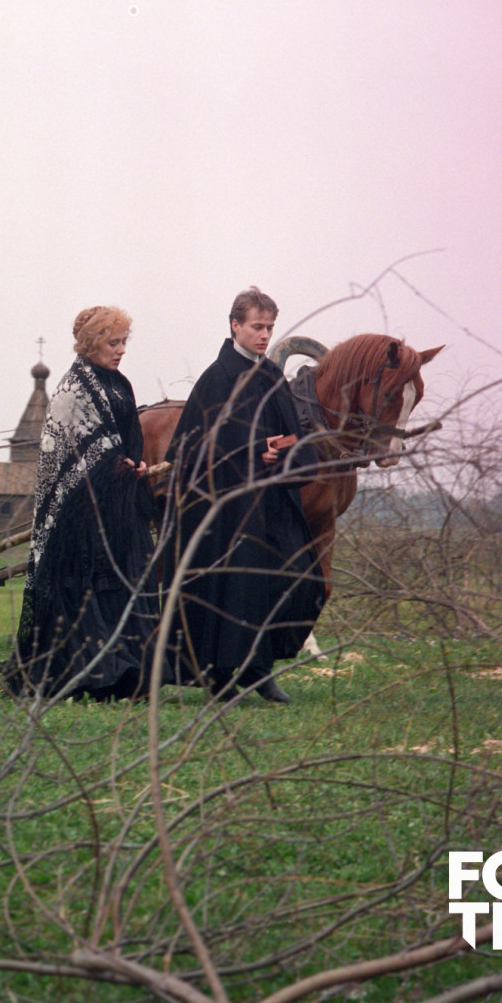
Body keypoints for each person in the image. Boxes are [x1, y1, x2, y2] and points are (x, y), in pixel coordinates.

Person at [165, 286, 324, 704]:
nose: (264, 335)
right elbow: (190, 450)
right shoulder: (216, 379)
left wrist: (282, 453)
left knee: (292, 578)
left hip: (272, 504)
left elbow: (294, 437)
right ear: (235, 326)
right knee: (232, 591)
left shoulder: (272, 376)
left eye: (269, 327)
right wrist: (252, 453)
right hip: (228, 511)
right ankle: (219, 674)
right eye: (256, 326)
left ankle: (260, 670)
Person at [0, 306, 160, 701]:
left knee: (129, 584)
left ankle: (130, 675)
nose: (121, 350)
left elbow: (129, 436)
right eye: (113, 343)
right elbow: (68, 456)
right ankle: (95, 675)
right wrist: (114, 464)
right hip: (82, 514)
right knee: (89, 591)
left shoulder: (120, 384)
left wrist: (136, 463)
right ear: (91, 344)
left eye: (123, 342)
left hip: (120, 506)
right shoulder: (71, 390)